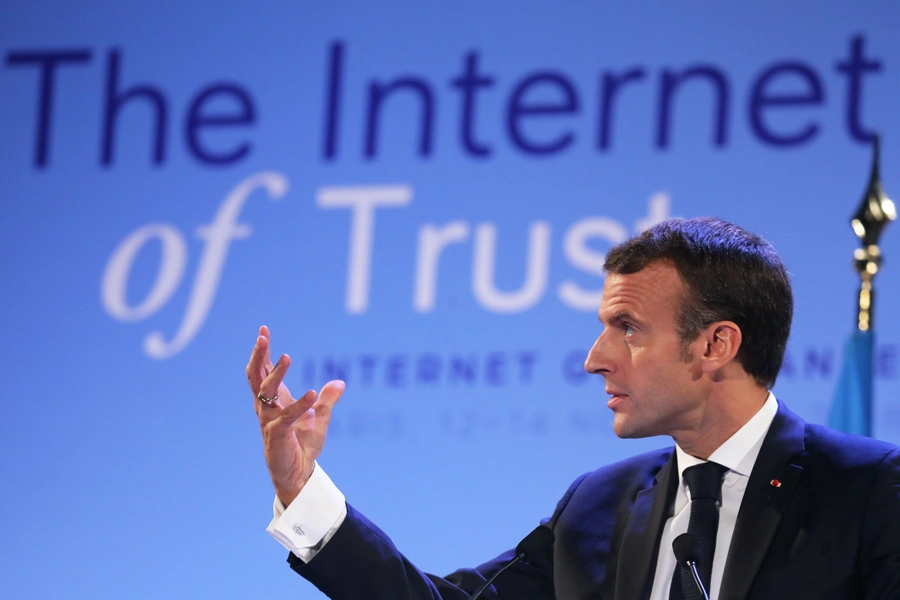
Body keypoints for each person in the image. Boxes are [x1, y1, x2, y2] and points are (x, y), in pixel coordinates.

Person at [246, 217, 900, 599]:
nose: (595, 357)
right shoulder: (597, 505)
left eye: (628, 329)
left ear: (715, 344)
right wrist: (302, 490)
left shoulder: (870, 490)